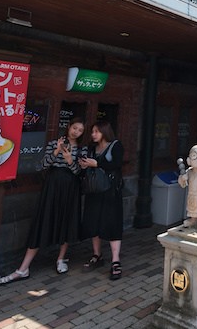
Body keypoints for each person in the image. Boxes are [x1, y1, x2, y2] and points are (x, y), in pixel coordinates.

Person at [0, 117, 86, 284]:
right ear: (68, 127)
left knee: (66, 220)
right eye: (74, 128)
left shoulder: (82, 149)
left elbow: (79, 173)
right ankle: (23, 268)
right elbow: (43, 165)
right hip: (52, 186)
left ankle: (61, 258)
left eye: (80, 130)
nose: (76, 132)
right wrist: (56, 151)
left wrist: (69, 161)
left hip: (70, 188)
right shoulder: (55, 143)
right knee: (43, 220)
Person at [79, 120, 124, 280]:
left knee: (112, 223)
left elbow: (117, 164)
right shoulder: (92, 148)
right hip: (94, 190)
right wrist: (85, 165)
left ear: (105, 131)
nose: (93, 135)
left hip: (111, 191)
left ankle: (115, 260)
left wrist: (97, 163)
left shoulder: (116, 145)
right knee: (93, 222)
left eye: (96, 131)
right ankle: (97, 255)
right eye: (92, 132)